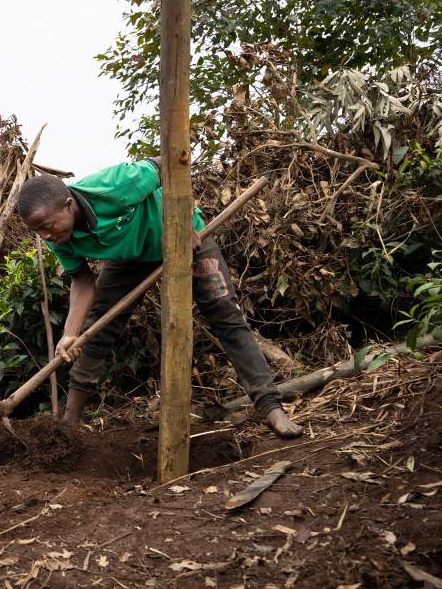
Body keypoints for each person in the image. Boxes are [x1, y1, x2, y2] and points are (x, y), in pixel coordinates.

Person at [16, 158, 303, 438]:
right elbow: (82, 281)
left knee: (225, 314)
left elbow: (168, 162)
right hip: (128, 258)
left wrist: (182, 220)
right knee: (97, 330)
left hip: (185, 238)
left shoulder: (114, 186)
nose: (45, 236)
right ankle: (69, 425)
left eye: (46, 225)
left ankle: (270, 406)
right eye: (37, 231)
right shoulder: (60, 238)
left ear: (68, 205)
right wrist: (69, 334)